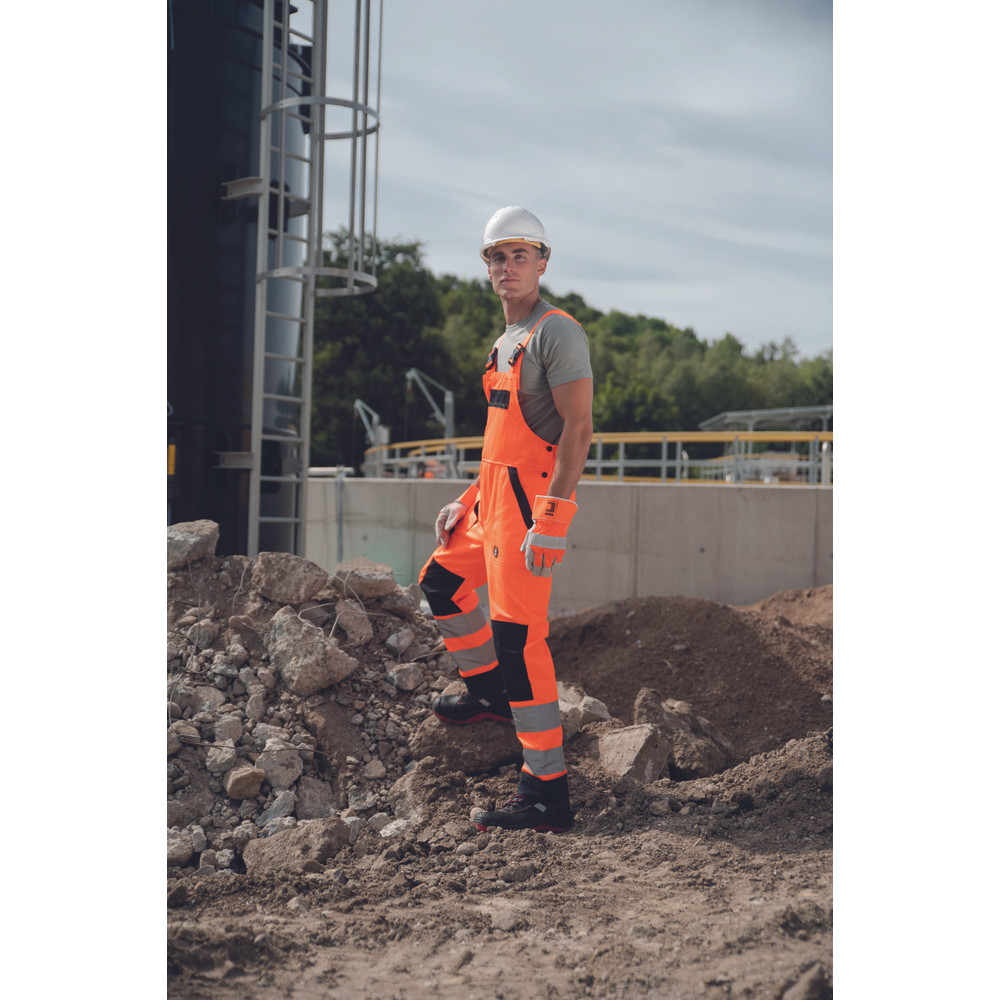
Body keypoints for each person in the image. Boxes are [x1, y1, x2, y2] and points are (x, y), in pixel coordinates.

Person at [418, 206, 593, 833]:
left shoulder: (556, 333)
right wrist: (466, 499)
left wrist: (553, 518)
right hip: (490, 504)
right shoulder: (504, 341)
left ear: (542, 263)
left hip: (526, 514)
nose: (508, 266)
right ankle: (488, 693)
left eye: (521, 255)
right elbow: (502, 444)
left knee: (519, 640)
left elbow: (578, 429)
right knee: (441, 582)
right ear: (487, 266)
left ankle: (546, 791)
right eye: (498, 255)